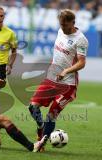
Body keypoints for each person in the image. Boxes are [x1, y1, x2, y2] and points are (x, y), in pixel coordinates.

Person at [27, 9, 88, 150]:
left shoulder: (81, 40)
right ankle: (41, 127)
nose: (63, 28)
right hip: (51, 78)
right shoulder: (60, 31)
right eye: (61, 25)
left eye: (65, 26)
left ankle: (42, 142)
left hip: (67, 84)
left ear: (73, 23)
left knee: (51, 115)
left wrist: (66, 70)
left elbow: (82, 62)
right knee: (33, 106)